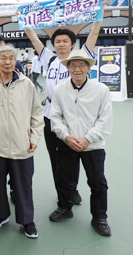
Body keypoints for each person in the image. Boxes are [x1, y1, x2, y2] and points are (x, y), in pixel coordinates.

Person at [24, 20, 102, 210]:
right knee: (57, 160)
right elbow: (33, 37)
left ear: (72, 43)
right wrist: (23, 19)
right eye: (57, 41)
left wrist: (101, 9)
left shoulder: (79, 58)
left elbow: (93, 35)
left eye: (65, 41)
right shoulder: (48, 58)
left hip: (75, 116)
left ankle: (72, 189)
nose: (61, 44)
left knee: (74, 156)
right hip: (52, 116)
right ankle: (64, 195)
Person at [0, 45, 43, 239]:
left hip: (23, 144)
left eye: (10, 58)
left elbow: (37, 114)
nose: (7, 62)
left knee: (23, 184)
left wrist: (34, 137)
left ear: (15, 61)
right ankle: (1, 215)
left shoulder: (26, 84)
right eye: (2, 58)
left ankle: (27, 221)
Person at [50, 50, 112, 236]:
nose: (77, 69)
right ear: (68, 68)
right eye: (73, 65)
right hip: (67, 143)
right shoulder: (60, 89)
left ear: (89, 67)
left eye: (81, 65)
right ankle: (65, 207)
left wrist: (87, 139)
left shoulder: (101, 90)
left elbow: (105, 120)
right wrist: (67, 137)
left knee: (97, 182)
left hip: (92, 146)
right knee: (64, 178)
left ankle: (100, 217)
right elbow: (55, 117)